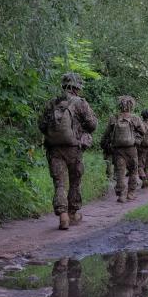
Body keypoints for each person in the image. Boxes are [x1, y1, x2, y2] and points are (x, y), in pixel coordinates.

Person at [38, 73, 98, 230]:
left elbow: (42, 125)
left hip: (54, 149)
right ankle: (73, 213)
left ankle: (62, 215)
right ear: (78, 87)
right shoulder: (80, 102)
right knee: (75, 181)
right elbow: (92, 125)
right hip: (74, 148)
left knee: (59, 183)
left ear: (63, 85)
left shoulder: (52, 102)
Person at [101, 95, 144, 203]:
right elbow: (142, 132)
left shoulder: (114, 118)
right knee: (133, 171)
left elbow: (106, 134)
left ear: (120, 105)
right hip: (131, 149)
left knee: (120, 172)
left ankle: (121, 195)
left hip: (118, 150)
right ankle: (131, 193)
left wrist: (105, 145)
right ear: (131, 105)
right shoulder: (135, 118)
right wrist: (136, 141)